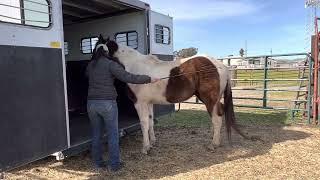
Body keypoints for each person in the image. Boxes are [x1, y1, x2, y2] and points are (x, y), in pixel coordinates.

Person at [86, 54, 158, 172]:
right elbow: (128, 77)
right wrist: (149, 78)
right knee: (113, 135)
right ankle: (114, 165)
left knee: (96, 134)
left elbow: (88, 75)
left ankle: (98, 163)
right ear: (106, 53)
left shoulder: (90, 65)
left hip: (91, 103)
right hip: (107, 103)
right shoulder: (110, 64)